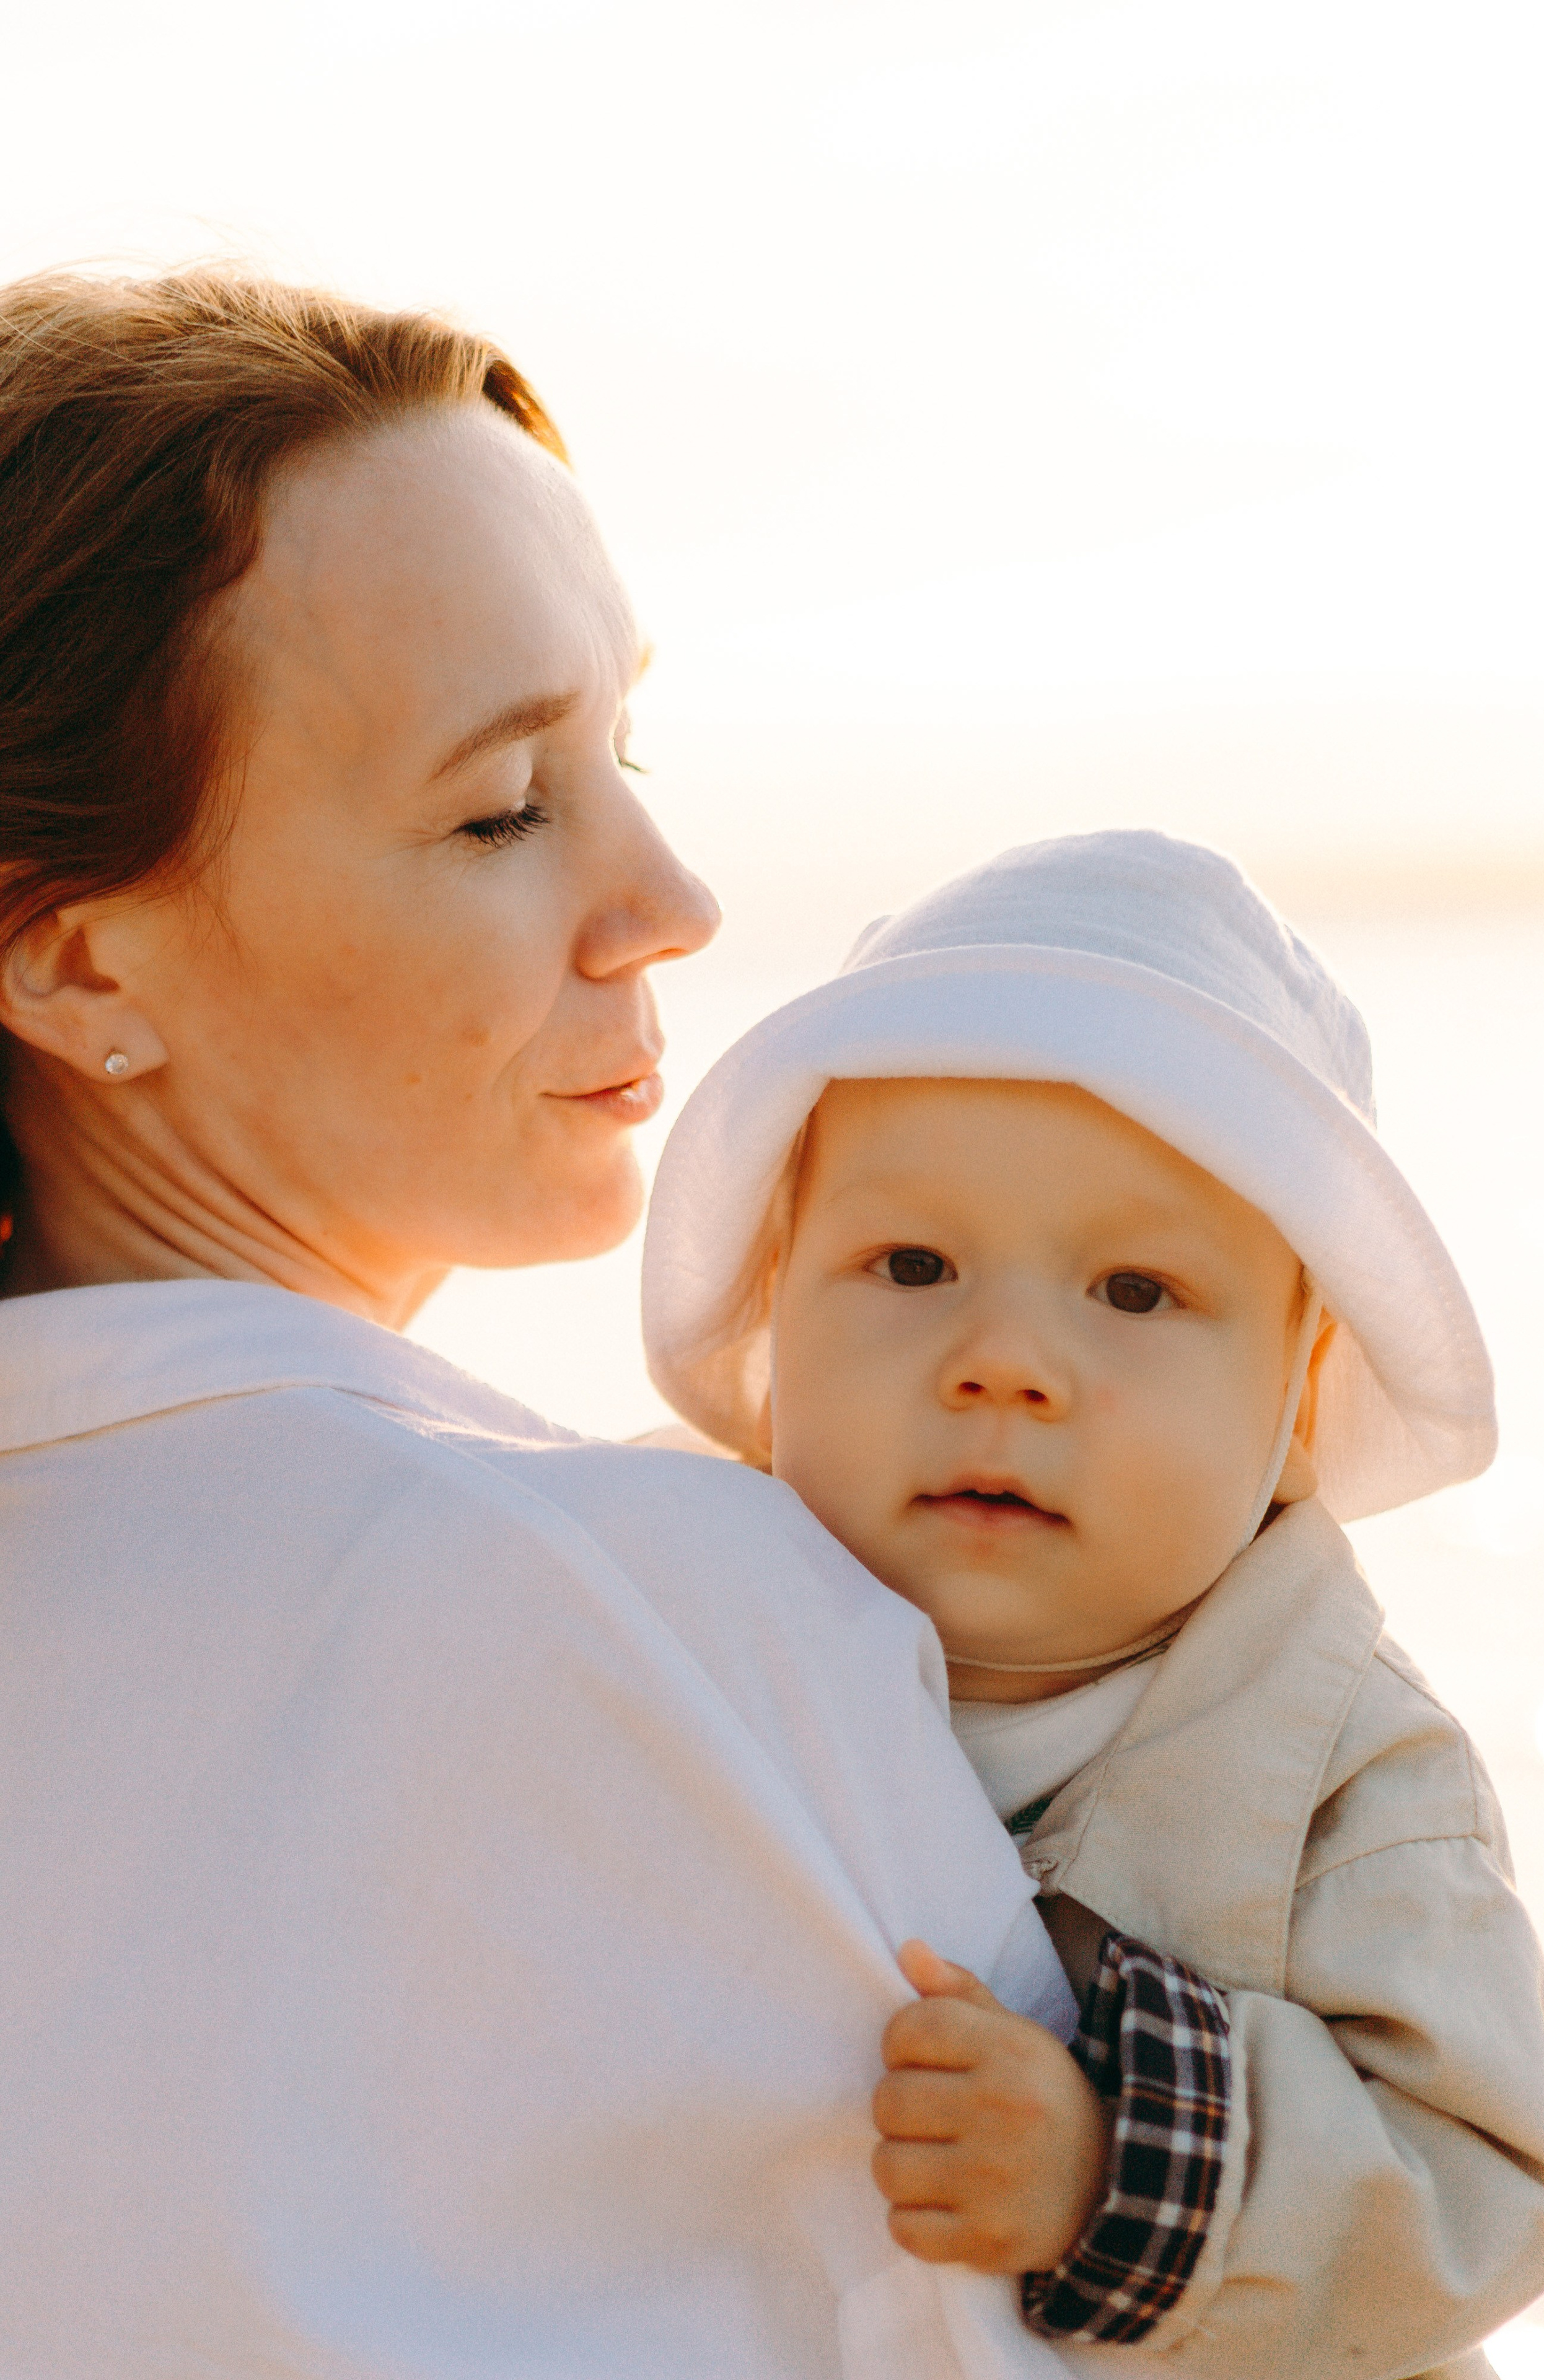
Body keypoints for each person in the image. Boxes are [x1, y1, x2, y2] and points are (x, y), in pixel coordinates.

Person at [0, 268, 1087, 2379]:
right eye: (503, 808)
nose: (667, 896)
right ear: (78, 971)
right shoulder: (636, 1606)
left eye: (623, 748)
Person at [642, 829, 1544, 2379]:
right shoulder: (654, 1616)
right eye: (912, 1261)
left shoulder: (1347, 1772)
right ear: (770, 1324)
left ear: (1295, 1400)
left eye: (1133, 1293)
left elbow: (1482, 2189)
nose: (1003, 1359)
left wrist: (1110, 2166)